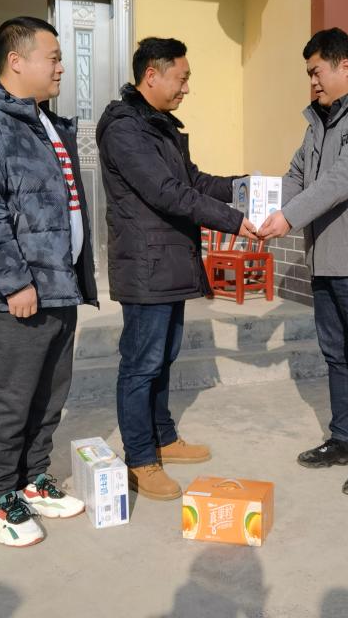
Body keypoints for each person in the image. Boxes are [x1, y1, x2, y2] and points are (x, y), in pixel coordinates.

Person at [0, 16, 98, 546]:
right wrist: (13, 282)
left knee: (49, 396)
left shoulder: (40, 120)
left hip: (57, 285)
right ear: (17, 60)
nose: (61, 68)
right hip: (12, 296)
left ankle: (33, 479)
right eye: (52, 58)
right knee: (7, 401)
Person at [97, 37, 256, 501]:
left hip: (169, 261)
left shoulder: (160, 125)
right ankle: (140, 458)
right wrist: (235, 222)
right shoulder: (125, 129)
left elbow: (194, 181)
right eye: (181, 79)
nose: (186, 88)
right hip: (146, 265)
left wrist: (246, 188)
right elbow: (167, 192)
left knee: (163, 357)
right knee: (141, 365)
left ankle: (163, 437)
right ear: (152, 75)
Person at [258, 28, 348, 498]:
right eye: (309, 74)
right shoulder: (318, 122)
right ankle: (344, 439)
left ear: (345, 67)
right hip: (325, 261)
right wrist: (258, 207)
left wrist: (288, 217)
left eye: (316, 72)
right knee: (337, 356)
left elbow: (346, 176)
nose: (312, 82)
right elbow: (298, 175)